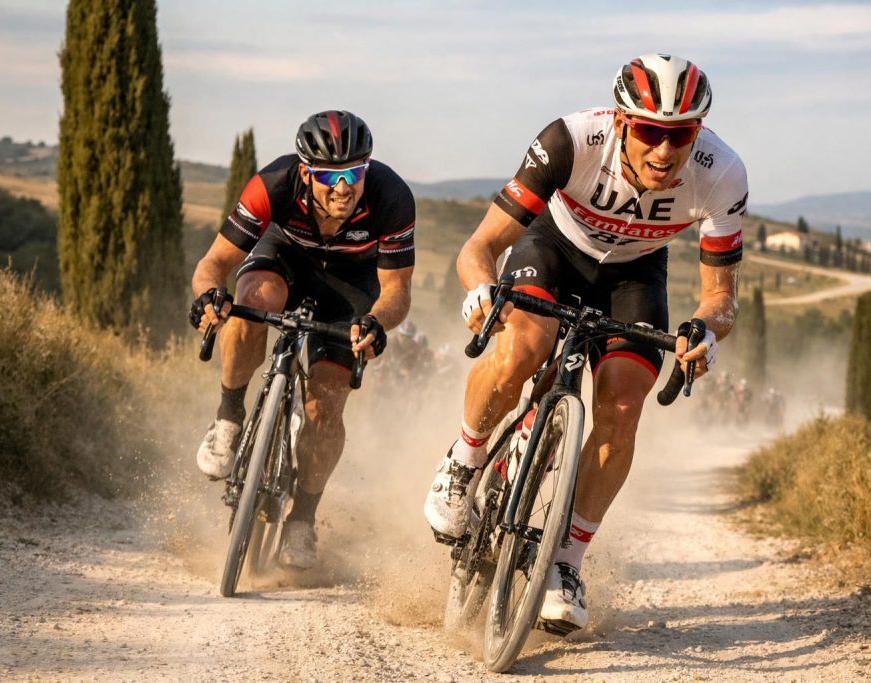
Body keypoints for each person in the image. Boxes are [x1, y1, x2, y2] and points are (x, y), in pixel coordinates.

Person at [423, 54, 747, 633]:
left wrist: (704, 330)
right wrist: (479, 294)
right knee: (523, 349)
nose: (664, 150)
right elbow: (478, 249)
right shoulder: (570, 141)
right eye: (649, 131)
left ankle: (565, 562)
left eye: (680, 135)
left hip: (634, 275)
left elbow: (719, 296)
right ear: (621, 123)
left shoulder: (722, 172)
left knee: (623, 407)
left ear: (698, 133)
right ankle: (466, 458)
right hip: (552, 249)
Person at [190, 110, 415, 569]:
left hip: (351, 284)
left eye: (354, 173)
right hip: (286, 257)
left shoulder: (391, 197)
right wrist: (210, 296)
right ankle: (229, 417)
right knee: (252, 302)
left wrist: (375, 322)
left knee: (326, 403)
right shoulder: (272, 184)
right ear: (305, 173)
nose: (344, 187)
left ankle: (303, 519)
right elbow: (213, 264)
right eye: (330, 177)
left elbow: (397, 294)